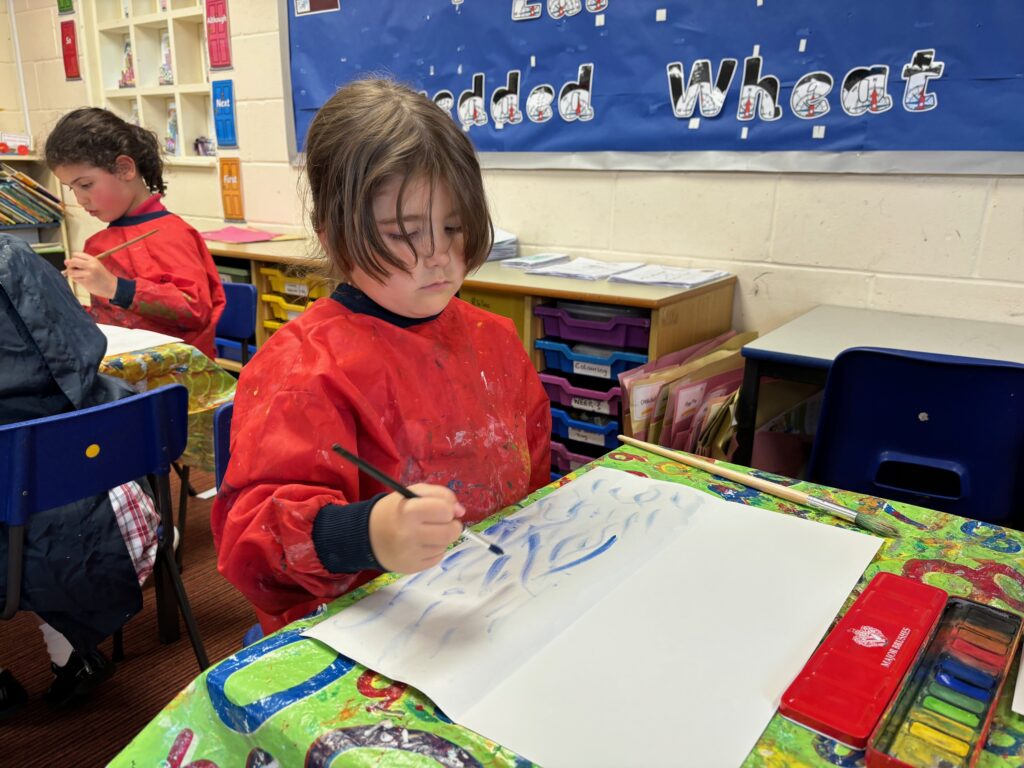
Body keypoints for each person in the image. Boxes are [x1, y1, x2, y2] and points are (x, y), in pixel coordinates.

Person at [212, 78, 551, 633]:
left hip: (490, 608)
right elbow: (251, 551)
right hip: (364, 632)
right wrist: (366, 534)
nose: (439, 256)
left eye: (454, 227)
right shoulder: (303, 369)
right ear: (334, 236)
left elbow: (533, 471)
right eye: (404, 233)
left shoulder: (494, 339)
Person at [0, 235, 159, 715]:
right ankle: (70, 653)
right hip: (107, 530)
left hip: (28, 543)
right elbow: (79, 348)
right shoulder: (11, 255)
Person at [44, 107, 225, 360]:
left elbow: (194, 310)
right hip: (127, 367)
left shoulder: (172, 234)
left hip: (177, 376)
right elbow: (117, 320)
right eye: (71, 188)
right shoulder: (98, 243)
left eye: (86, 185)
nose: (80, 199)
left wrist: (116, 288)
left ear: (125, 169)